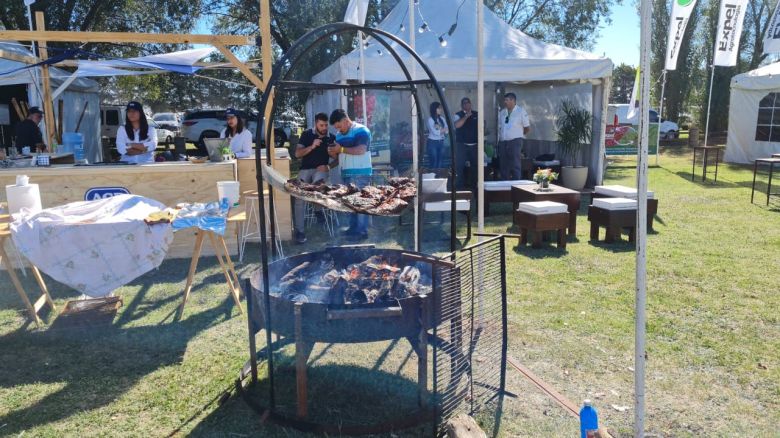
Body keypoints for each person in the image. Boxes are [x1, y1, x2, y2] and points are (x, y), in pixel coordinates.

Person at [327, 109, 372, 241]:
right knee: (350, 203)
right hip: (346, 173)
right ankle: (353, 229)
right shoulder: (339, 135)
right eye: (336, 128)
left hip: (360, 173)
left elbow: (361, 150)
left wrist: (340, 149)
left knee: (360, 202)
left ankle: (362, 231)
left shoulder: (362, 130)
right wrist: (333, 153)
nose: (339, 130)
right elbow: (340, 155)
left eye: (340, 126)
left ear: (346, 120)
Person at [293, 112, 335, 244]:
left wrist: (328, 166)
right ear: (316, 123)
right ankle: (299, 231)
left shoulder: (331, 137)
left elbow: (338, 159)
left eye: (326, 125)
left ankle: (318, 210)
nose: (324, 128)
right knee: (299, 195)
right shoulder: (307, 134)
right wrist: (311, 146)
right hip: (305, 169)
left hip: (320, 170)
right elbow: (297, 154)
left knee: (317, 185)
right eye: (321, 125)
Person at [497, 92, 530, 180]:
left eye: (507, 100)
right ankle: (504, 184)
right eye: (505, 100)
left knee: (515, 164)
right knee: (503, 164)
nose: (505, 102)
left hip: (515, 141)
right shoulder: (503, 112)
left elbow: (527, 128)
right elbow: (500, 126)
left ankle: (517, 184)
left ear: (513, 101)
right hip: (503, 142)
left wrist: (518, 135)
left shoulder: (521, 111)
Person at [453, 97, 478, 189]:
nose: (466, 104)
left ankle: (474, 187)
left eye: (468, 103)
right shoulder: (457, 115)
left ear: (471, 104)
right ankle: (459, 188)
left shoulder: (477, 114)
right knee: (459, 167)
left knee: (475, 167)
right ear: (461, 105)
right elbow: (456, 125)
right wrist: (466, 116)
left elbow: (482, 127)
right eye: (464, 103)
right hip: (461, 145)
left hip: (474, 145)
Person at [426, 101, 448, 170]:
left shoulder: (442, 119)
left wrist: (442, 130)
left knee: (440, 161)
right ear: (434, 109)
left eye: (441, 108)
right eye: (439, 108)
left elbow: (447, 131)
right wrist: (443, 130)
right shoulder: (430, 120)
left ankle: (438, 177)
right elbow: (436, 133)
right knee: (434, 161)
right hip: (432, 142)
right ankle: (432, 177)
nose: (441, 109)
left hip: (441, 142)